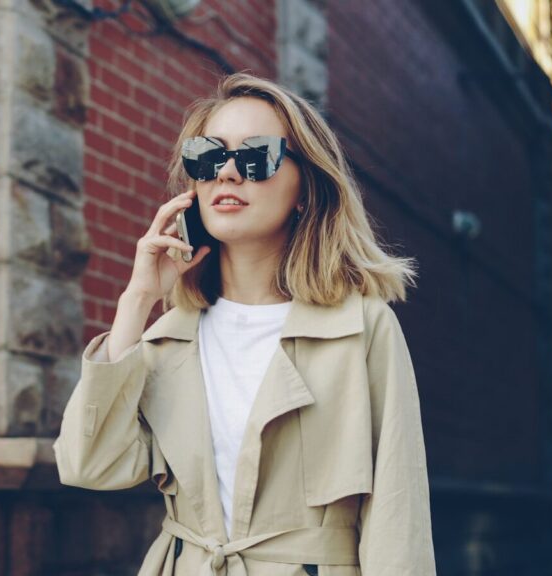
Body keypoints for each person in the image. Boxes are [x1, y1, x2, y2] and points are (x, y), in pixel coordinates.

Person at [53, 71, 437, 575]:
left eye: (256, 156)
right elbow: (89, 465)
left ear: (305, 189)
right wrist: (139, 298)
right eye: (208, 157)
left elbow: (397, 513)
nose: (227, 175)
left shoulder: (361, 328)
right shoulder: (169, 338)